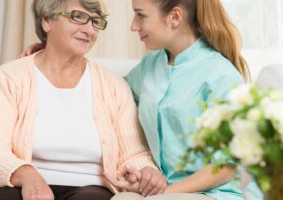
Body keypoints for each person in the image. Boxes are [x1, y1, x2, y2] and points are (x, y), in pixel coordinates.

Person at [22, 0, 264, 199]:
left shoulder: (220, 75)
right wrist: (50, 54)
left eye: (140, 15)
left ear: (175, 17)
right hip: (165, 190)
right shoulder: (153, 64)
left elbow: (229, 164)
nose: (133, 26)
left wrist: (165, 193)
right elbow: (108, 91)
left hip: (221, 192)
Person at [0, 0, 165, 200]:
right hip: (20, 184)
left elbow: (133, 154)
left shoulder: (113, 86)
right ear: (46, 22)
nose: (89, 30)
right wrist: (27, 175)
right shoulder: (9, 78)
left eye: (95, 22)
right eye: (78, 17)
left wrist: (147, 171)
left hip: (89, 188)